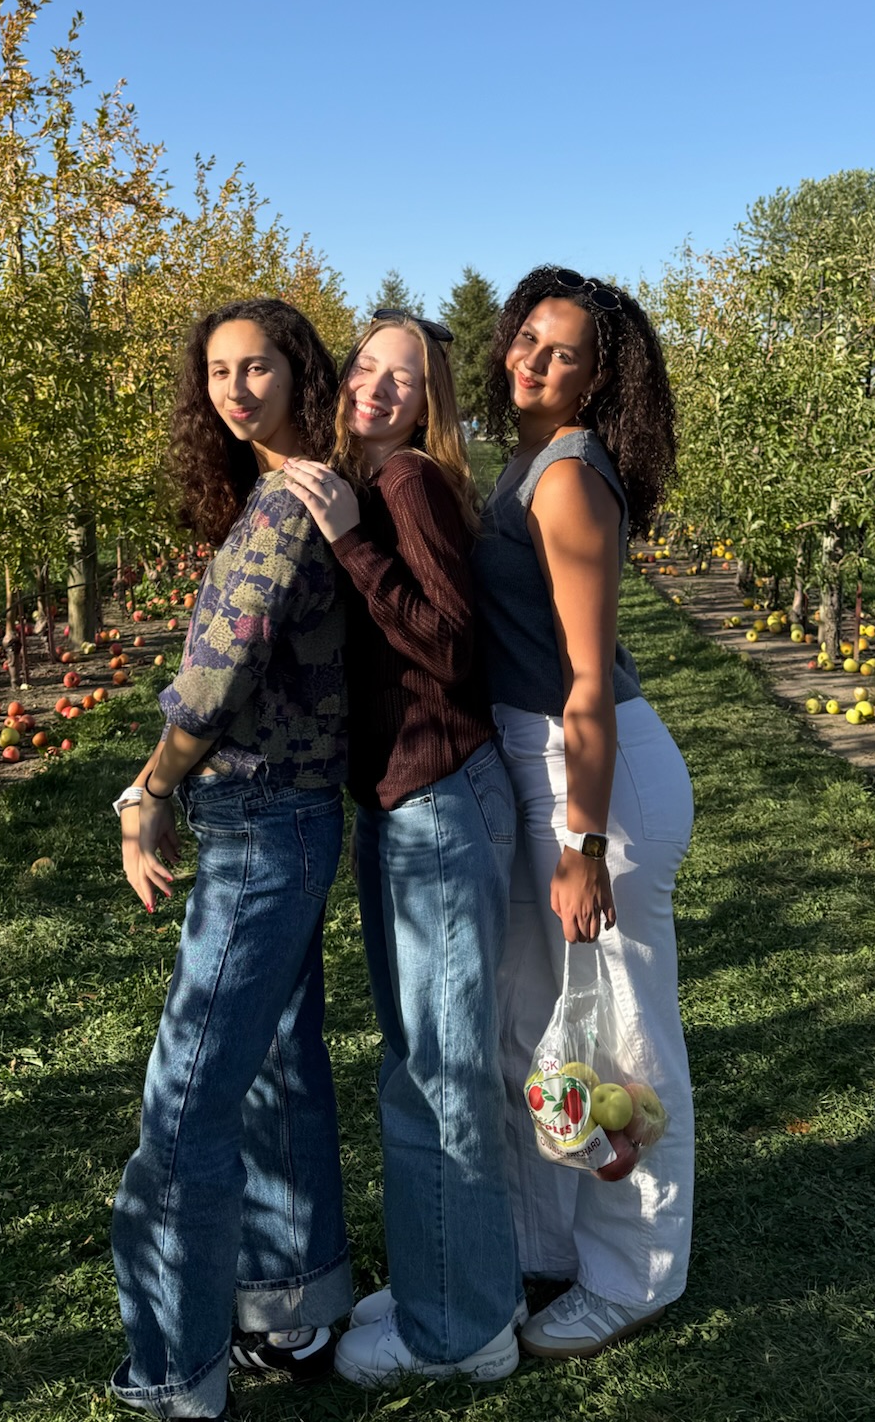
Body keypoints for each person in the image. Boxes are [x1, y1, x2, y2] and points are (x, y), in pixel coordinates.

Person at [109, 299, 352, 1421]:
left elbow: (215, 678)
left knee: (186, 1103)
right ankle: (294, 1308)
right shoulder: (296, 490)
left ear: (299, 373)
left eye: (257, 366)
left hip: (259, 823)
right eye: (217, 370)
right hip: (288, 815)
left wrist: (152, 789)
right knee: (275, 1068)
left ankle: (175, 1374)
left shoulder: (286, 507)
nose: (236, 388)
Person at [281, 309, 522, 1387]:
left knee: (441, 1075)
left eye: (404, 375)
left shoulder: (407, 483)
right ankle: (451, 1278)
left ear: (430, 403)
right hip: (406, 799)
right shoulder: (369, 482)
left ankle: (460, 1331)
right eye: (366, 365)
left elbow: (453, 644)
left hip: (437, 799)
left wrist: (351, 541)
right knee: (419, 1063)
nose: (376, 386)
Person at [473, 265, 694, 1360]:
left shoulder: (566, 476)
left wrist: (584, 842)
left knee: (625, 1038)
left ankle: (634, 1274)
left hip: (590, 775)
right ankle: (549, 1245)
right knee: (538, 1022)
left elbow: (590, 681)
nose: (533, 360)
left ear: (599, 379)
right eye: (527, 338)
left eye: (563, 353)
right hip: (542, 764)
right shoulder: (528, 457)